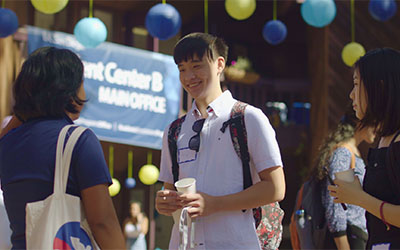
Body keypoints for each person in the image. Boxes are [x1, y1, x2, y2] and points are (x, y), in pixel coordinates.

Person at [155, 32, 286, 249]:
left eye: (196, 66)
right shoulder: (174, 131)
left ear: (219, 64)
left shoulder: (247, 118)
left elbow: (275, 188)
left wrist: (215, 204)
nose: (189, 77)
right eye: (182, 69)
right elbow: (170, 190)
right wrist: (164, 202)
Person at [0, 47, 125, 249]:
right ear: (68, 90)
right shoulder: (78, 140)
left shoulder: (7, 144)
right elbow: (103, 223)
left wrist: (24, 108)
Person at [328, 48, 400, 249]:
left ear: (380, 88)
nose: (351, 95)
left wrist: (359, 198)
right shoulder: (385, 138)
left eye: (357, 84)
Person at [312, 107, 375, 249]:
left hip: (355, 233)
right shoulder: (343, 153)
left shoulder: (352, 151)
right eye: (374, 123)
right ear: (361, 122)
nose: (377, 128)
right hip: (348, 236)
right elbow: (335, 201)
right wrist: (343, 245)